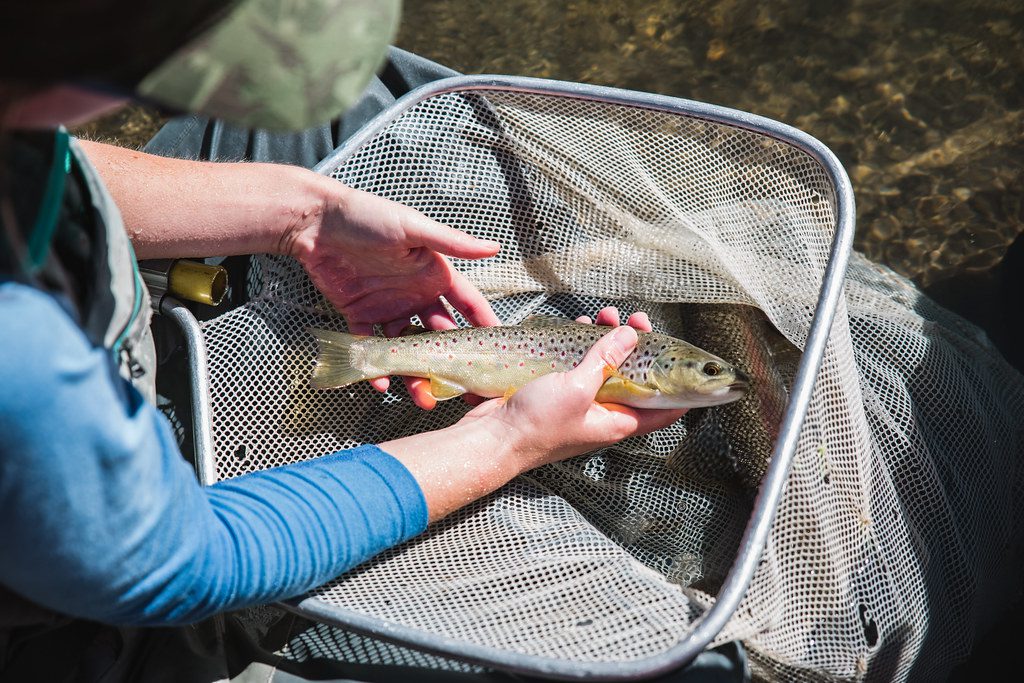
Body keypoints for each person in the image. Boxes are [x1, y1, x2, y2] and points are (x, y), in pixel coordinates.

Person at [0, 2, 748, 681]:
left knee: (355, 106)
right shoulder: (22, 357)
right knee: (696, 672)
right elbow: (177, 563)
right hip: (89, 624)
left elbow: (60, 159)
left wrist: (307, 215)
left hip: (86, 435)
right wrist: (510, 441)